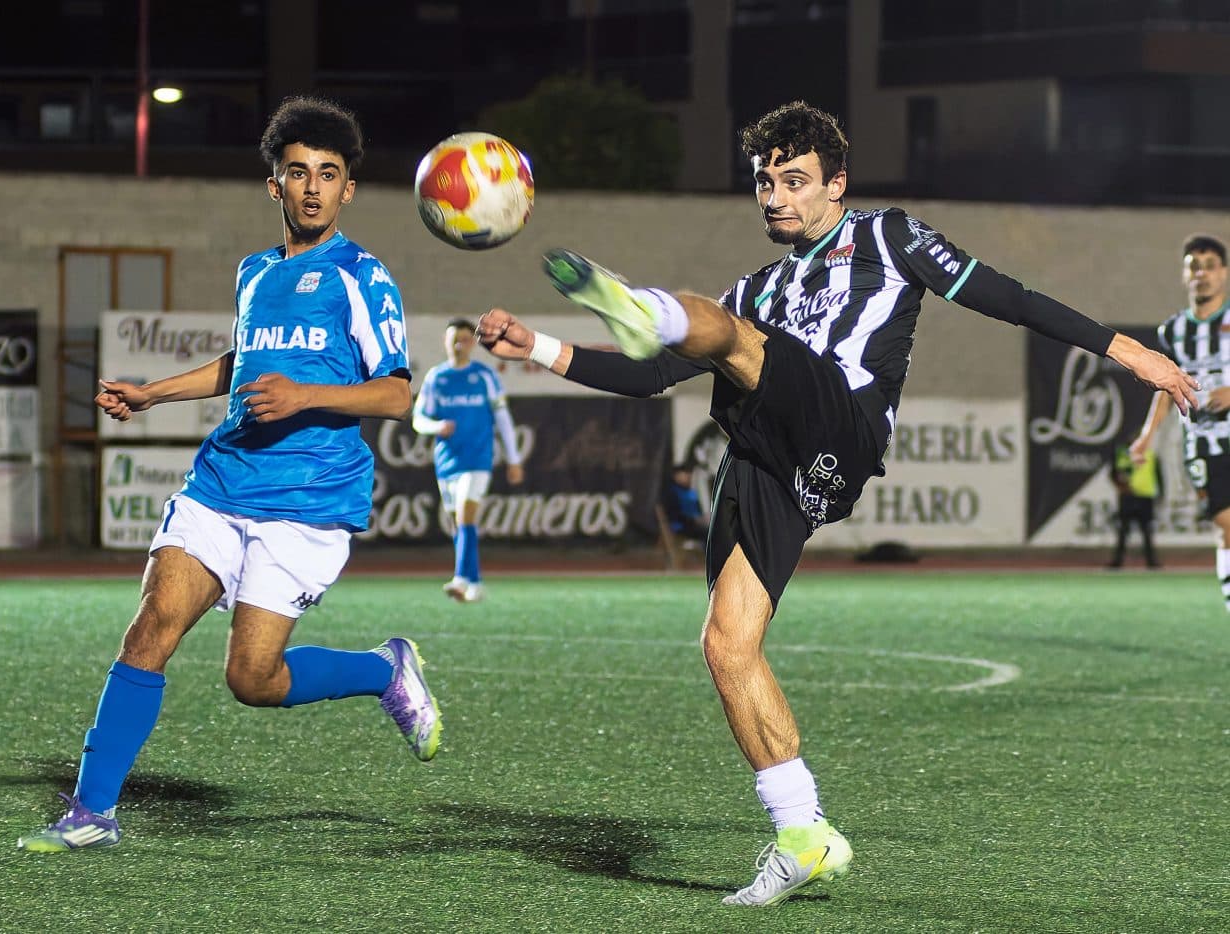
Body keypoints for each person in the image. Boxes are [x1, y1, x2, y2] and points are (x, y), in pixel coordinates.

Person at [477, 100, 1198, 907]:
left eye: (794, 181)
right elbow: (648, 378)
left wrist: (1124, 350)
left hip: (840, 424)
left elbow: (1006, 296)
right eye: (765, 183)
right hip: (766, 455)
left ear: (836, 185)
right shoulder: (757, 285)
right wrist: (536, 348)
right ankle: (803, 834)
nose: (776, 197)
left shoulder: (887, 236)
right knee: (726, 645)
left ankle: (655, 310)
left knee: (729, 335)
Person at [18, 96, 442, 853]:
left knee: (253, 679)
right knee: (150, 628)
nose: (312, 187)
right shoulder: (254, 272)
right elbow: (241, 365)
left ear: (347, 190)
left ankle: (382, 671)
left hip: (306, 501)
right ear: (273, 185)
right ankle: (92, 811)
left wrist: (306, 394)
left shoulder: (362, 276)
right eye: (297, 172)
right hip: (222, 480)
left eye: (329, 175)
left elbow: (398, 394)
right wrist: (155, 392)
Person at [1132, 234, 1230, 607]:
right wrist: (1146, 437)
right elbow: (1164, 387)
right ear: (1185, 275)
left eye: (1209, 266)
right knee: (1227, 525)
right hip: (1204, 444)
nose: (1201, 274)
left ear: (1223, 273)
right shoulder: (1172, 331)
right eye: (1194, 266)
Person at [412, 317, 525, 602]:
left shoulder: (484, 376)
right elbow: (418, 419)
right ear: (446, 342)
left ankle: (460, 580)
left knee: (465, 516)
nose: (458, 344)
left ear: (472, 343)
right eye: (453, 339)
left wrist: (513, 458)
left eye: (464, 339)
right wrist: (436, 427)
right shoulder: (436, 377)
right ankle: (475, 583)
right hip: (447, 461)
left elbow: (503, 419)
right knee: (458, 524)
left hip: (478, 459)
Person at [1107, 436, 1162, 570]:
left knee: (1147, 531)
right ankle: (1117, 561)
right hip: (1128, 497)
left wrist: (1161, 494)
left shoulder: (1151, 454)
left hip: (1145, 497)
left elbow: (1159, 476)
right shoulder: (1122, 453)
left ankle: (1151, 561)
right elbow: (1114, 472)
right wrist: (1121, 486)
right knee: (1123, 531)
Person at [662, 463, 709, 545]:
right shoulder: (672, 493)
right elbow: (674, 514)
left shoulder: (691, 491)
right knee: (709, 533)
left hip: (697, 523)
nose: (688, 477)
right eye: (685, 474)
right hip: (682, 526)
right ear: (676, 476)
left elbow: (699, 510)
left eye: (688, 474)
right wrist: (693, 520)